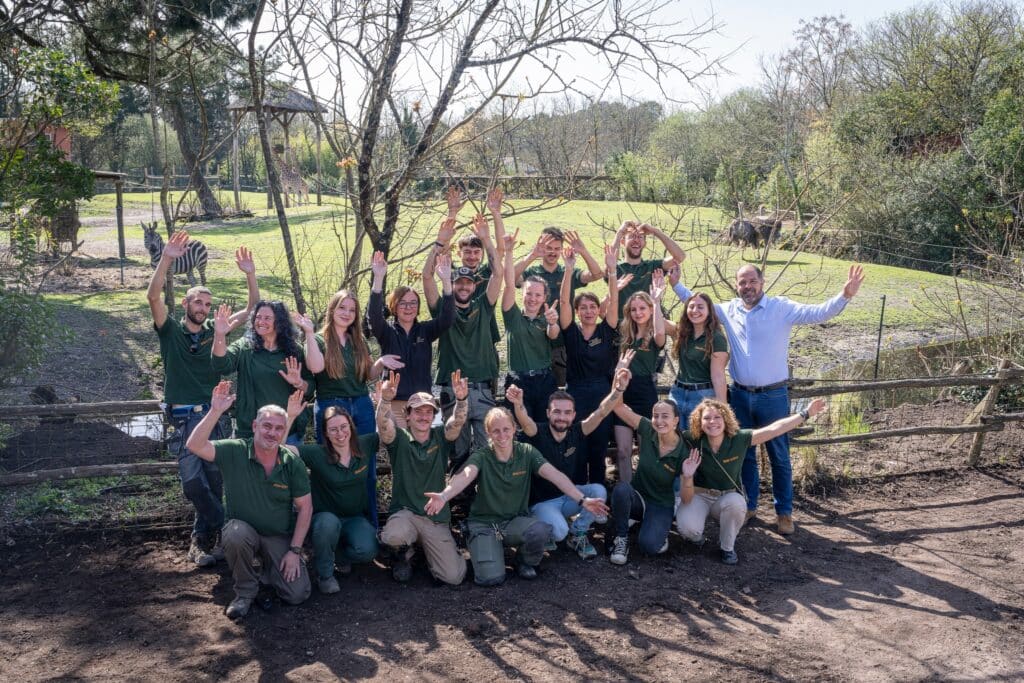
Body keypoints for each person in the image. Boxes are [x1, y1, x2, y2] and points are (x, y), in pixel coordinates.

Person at [671, 263, 865, 535]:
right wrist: (675, 284)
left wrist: (844, 296)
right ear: (736, 285)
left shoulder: (780, 308)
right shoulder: (729, 310)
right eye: (742, 282)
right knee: (745, 453)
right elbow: (696, 306)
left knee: (779, 456)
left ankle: (784, 512)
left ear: (762, 282)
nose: (747, 286)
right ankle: (750, 506)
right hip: (739, 394)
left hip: (772, 395)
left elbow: (818, 313)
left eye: (751, 281)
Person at [147, 230, 258, 566]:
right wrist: (167, 258)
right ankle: (225, 528)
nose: (204, 308)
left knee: (214, 480)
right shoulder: (170, 331)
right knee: (193, 483)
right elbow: (153, 297)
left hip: (214, 417)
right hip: (182, 419)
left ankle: (201, 543)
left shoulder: (216, 330)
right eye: (198, 302)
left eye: (208, 304)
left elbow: (253, 308)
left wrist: (250, 275)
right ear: (185, 303)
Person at [424, 407, 609, 586]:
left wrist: (582, 500)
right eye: (496, 431)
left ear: (514, 428)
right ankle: (478, 541)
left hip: (514, 521)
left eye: (506, 429)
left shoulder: (526, 452)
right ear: (488, 433)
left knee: (541, 530)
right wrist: (444, 495)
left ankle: (523, 560)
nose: (502, 435)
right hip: (486, 523)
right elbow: (466, 475)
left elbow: (556, 475)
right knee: (491, 579)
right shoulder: (481, 455)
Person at [185, 381, 312, 619]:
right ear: (254, 426)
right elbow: (194, 445)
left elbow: (305, 507)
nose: (271, 433)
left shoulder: (290, 461)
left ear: (283, 432)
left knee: (297, 594)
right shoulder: (235, 451)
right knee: (234, 533)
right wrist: (215, 411)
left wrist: (295, 551)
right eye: (266, 426)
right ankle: (245, 591)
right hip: (244, 534)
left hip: (277, 536)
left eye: (278, 428)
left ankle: (267, 574)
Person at [676, 397, 827, 564]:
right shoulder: (692, 439)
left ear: (726, 419)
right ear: (699, 422)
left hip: (726, 497)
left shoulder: (739, 438)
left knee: (735, 504)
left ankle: (727, 548)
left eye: (717, 417)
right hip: (700, 495)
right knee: (687, 527)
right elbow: (666, 433)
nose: (712, 422)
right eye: (706, 418)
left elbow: (774, 429)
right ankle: (697, 538)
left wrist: (805, 413)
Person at [376, 370, 469, 585]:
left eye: (429, 412)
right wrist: (385, 400)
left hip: (434, 517)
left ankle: (430, 551)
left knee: (453, 577)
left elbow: (456, 423)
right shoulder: (399, 439)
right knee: (393, 536)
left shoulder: (441, 437)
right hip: (406, 513)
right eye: (418, 412)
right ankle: (403, 556)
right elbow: (383, 425)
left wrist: (462, 400)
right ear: (407, 415)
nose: (424, 416)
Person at [428, 212, 505, 472]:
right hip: (452, 390)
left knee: (487, 450)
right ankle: (460, 501)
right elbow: (427, 278)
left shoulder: (484, 306)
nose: (462, 287)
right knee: (458, 451)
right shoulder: (441, 308)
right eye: (457, 282)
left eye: (467, 283)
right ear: (451, 282)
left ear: (474, 285)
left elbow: (498, 273)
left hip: (483, 387)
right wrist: (440, 242)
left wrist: (486, 238)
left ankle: (487, 501)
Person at [507, 384, 620, 559]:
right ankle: (548, 527)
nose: (562, 417)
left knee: (599, 491)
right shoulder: (538, 432)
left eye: (567, 413)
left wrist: (618, 390)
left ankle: (578, 534)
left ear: (574, 415)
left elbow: (601, 412)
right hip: (542, 503)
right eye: (557, 412)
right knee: (560, 532)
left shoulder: (576, 431)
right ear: (548, 413)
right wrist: (518, 403)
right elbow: (524, 420)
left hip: (567, 496)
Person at [284, 391, 380, 594]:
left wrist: (383, 403)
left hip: (354, 518)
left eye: (344, 427)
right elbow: (281, 448)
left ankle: (339, 555)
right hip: (325, 518)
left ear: (351, 428)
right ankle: (325, 574)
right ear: (326, 433)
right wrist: (290, 416)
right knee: (327, 524)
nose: (340, 433)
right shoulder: (317, 453)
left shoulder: (365, 444)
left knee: (368, 550)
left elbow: (391, 434)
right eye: (333, 429)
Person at [607, 363, 689, 565]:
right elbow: (617, 406)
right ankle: (622, 538)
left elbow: (687, 497)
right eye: (656, 416)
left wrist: (688, 476)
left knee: (649, 546)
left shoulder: (683, 451)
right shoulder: (648, 429)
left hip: (661, 504)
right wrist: (619, 384)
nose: (659, 421)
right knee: (621, 490)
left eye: (665, 416)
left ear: (676, 421)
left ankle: (656, 529)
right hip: (639, 497)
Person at [211, 299, 323, 443]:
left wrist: (299, 382)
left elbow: (310, 388)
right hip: (250, 431)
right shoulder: (245, 347)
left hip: (287, 431)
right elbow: (221, 365)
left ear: (280, 321)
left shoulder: (294, 350)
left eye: (267, 318)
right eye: (258, 317)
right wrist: (219, 335)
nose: (261, 321)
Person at [367, 243, 454, 427]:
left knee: (422, 452)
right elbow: (373, 316)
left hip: (422, 404)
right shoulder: (387, 332)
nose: (408, 308)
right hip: (395, 404)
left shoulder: (425, 331)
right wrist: (378, 278)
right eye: (403, 303)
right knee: (398, 451)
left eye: (413, 303)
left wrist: (446, 281)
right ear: (394, 307)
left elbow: (447, 318)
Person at [559, 243, 621, 485]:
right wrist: (568, 270)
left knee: (598, 450)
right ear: (577, 312)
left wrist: (612, 272)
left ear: (598, 310)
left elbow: (615, 302)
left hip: (602, 395)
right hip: (575, 394)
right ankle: (576, 498)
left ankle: (598, 499)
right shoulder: (571, 332)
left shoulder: (606, 330)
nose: (588, 311)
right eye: (582, 307)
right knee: (576, 448)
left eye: (592, 307)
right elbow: (564, 303)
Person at [514, 227, 605, 386]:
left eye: (557, 248)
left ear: (562, 249)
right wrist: (532, 255)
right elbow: (510, 277)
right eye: (548, 248)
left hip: (561, 343)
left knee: (561, 389)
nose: (552, 252)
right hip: (534, 341)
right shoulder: (532, 273)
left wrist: (583, 251)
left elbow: (597, 274)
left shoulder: (568, 271)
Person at [613, 272, 667, 483]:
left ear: (651, 310)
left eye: (643, 308)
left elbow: (662, 335)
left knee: (646, 450)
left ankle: (646, 491)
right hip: (623, 393)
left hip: (645, 391)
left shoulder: (654, 334)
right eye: (634, 309)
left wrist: (656, 300)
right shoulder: (624, 331)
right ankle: (627, 493)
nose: (638, 313)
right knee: (623, 452)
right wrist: (614, 287)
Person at [501, 228, 560, 420]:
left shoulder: (547, 318)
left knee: (544, 428)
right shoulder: (513, 316)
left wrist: (552, 322)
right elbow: (509, 282)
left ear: (545, 297)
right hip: (518, 381)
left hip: (544, 380)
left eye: (537, 295)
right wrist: (517, 253)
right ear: (523, 294)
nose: (532, 299)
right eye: (528, 294)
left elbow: (553, 334)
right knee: (519, 429)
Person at [669, 291, 729, 422]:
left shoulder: (716, 338)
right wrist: (655, 301)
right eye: (691, 307)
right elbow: (660, 324)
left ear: (709, 311)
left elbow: (718, 376)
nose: (695, 310)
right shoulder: (682, 332)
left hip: (703, 396)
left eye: (701, 307)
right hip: (677, 392)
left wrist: (723, 408)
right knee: (676, 439)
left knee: (698, 439)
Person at [610, 220, 686, 316]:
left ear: (645, 243)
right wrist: (620, 232)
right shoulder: (615, 269)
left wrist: (655, 231)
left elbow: (680, 257)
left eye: (640, 237)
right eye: (632, 236)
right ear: (622, 242)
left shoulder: (653, 266)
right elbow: (610, 260)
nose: (636, 240)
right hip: (623, 325)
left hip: (649, 325)